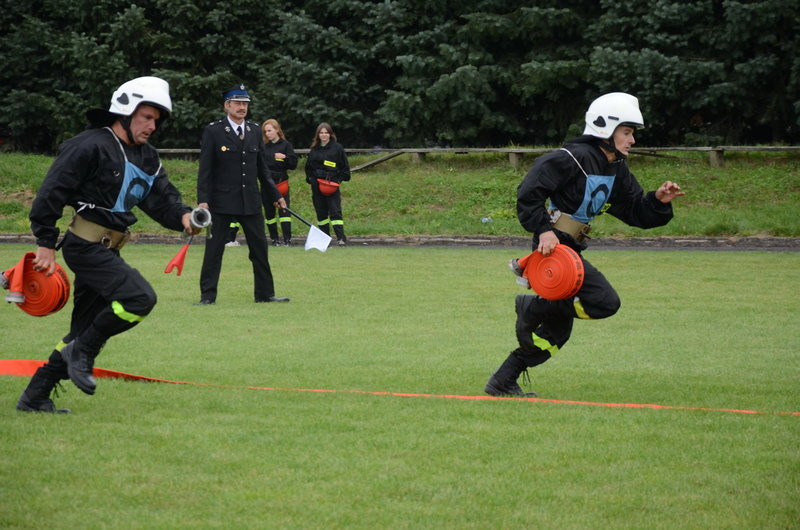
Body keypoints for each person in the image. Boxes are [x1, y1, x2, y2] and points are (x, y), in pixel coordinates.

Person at [17, 76, 201, 413]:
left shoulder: (147, 157)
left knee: (83, 329)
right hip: (83, 246)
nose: (151, 126)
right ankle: (82, 352)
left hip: (108, 249)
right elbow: (51, 192)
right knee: (139, 298)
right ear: (125, 112)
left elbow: (162, 200)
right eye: (146, 117)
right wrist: (45, 242)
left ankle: (35, 396)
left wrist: (186, 218)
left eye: (155, 120)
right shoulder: (88, 145)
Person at [485, 92, 684, 397]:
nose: (632, 140)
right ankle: (534, 305)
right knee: (606, 302)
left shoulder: (617, 168)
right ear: (605, 127)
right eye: (627, 132)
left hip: (570, 250)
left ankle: (502, 380)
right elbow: (528, 194)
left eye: (632, 134)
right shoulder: (570, 157)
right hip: (553, 250)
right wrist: (543, 231)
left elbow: (634, 211)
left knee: (554, 335)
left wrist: (657, 201)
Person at [196, 84, 289, 305]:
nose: (242, 107)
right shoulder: (214, 131)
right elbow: (205, 170)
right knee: (214, 251)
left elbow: (261, 169)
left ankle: (265, 294)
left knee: (259, 249)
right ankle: (208, 296)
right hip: (221, 201)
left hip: (250, 201)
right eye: (237, 103)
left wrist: (276, 195)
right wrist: (203, 201)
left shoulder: (255, 130)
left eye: (245, 104)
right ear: (227, 105)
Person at [304, 122, 351, 246]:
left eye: (326, 133)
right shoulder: (314, 150)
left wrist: (337, 180)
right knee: (321, 212)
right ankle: (325, 239)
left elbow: (345, 169)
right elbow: (308, 167)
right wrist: (310, 178)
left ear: (330, 134)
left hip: (331, 185)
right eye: (321, 133)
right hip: (317, 186)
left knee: (335, 211)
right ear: (318, 135)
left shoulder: (337, 148)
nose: (324, 135)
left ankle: (341, 238)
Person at [261, 118, 297, 246]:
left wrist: (285, 158)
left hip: (281, 182)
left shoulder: (286, 145)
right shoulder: (264, 147)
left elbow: (293, 165)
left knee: (284, 211)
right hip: (267, 184)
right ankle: (274, 239)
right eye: (265, 132)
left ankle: (287, 239)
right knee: (269, 213)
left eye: (270, 130)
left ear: (277, 130)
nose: (267, 134)